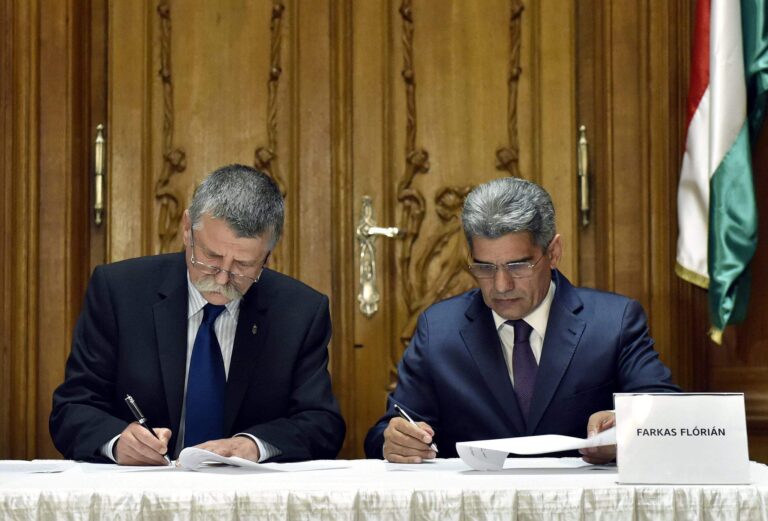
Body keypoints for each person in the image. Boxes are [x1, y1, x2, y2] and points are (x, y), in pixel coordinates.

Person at [364, 176, 679, 464]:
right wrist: (395, 441)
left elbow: (667, 413)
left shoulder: (613, 322)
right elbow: (387, 432)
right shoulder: (439, 329)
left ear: (553, 253)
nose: (501, 286)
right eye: (485, 268)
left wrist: (620, 431)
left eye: (518, 266)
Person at [50, 164, 345, 464]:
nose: (223, 278)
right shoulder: (119, 292)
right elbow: (73, 408)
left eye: (243, 265)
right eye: (211, 257)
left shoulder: (300, 312)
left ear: (267, 256)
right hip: (142, 485)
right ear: (187, 229)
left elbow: (322, 424)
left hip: (245, 488)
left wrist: (254, 446)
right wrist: (116, 442)